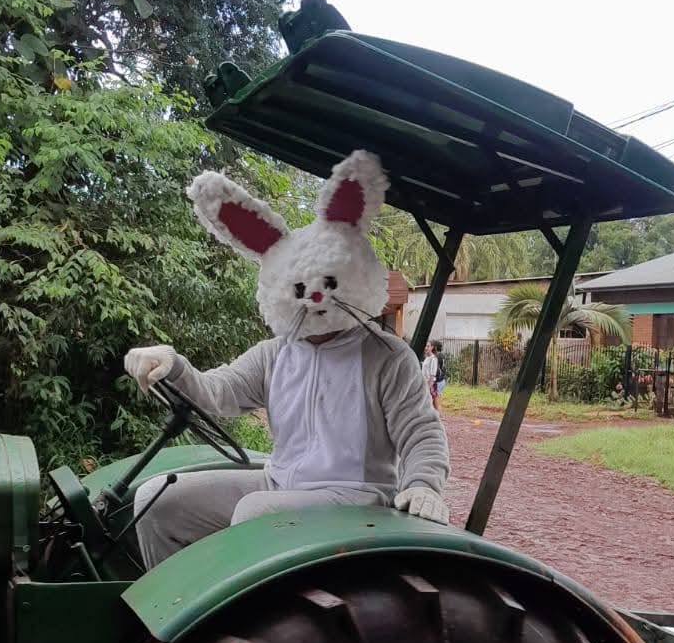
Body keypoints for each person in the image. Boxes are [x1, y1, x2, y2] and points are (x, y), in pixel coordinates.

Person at [124, 150, 450, 570]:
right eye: (300, 289)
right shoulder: (275, 355)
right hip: (281, 482)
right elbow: (219, 392)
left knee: (254, 514)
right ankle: (176, 618)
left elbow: (421, 431)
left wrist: (423, 484)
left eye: (329, 283)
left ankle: (246, 627)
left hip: (359, 498)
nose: (314, 298)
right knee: (155, 499)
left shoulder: (387, 357)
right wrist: (173, 366)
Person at [421, 340, 439, 407]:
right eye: (425, 346)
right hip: (424, 383)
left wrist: (429, 387)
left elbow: (432, 374)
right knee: (430, 404)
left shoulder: (433, 358)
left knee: (432, 404)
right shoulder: (426, 358)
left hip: (430, 384)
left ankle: (438, 416)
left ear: (432, 347)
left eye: (428, 346)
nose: (426, 348)